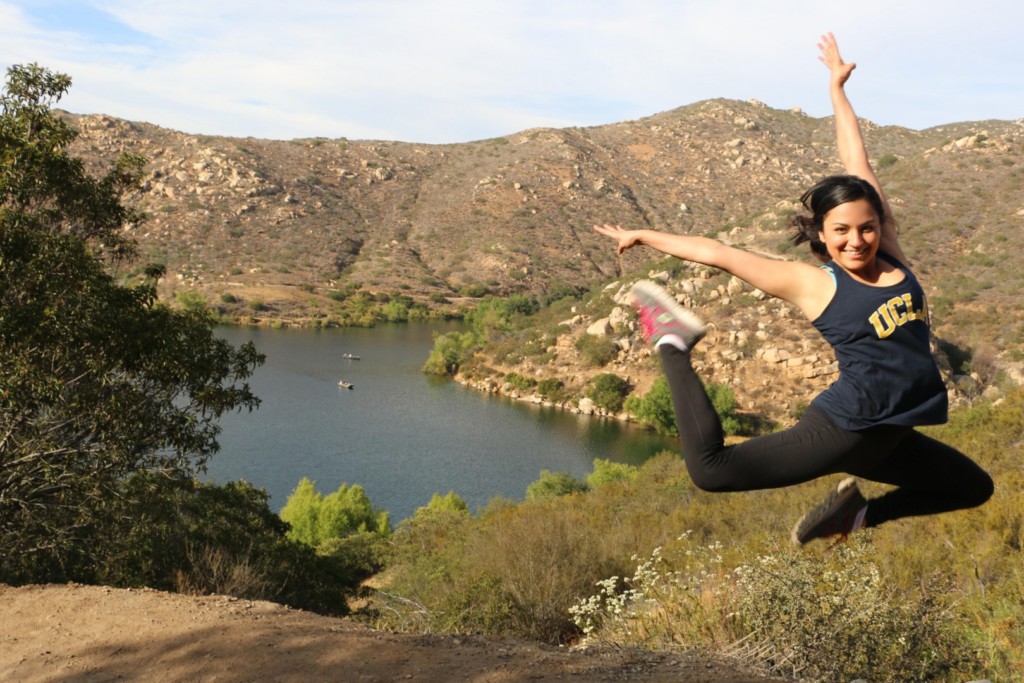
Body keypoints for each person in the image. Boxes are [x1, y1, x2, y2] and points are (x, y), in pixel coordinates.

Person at [593, 33, 993, 545]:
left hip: (891, 438)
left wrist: (837, 90)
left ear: (879, 223)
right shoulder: (814, 284)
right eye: (842, 231)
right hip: (846, 428)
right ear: (822, 234)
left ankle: (854, 517)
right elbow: (720, 253)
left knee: (972, 487)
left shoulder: (891, 249)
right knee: (712, 470)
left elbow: (857, 161)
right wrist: (643, 235)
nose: (857, 240)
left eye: (866, 227)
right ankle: (671, 342)